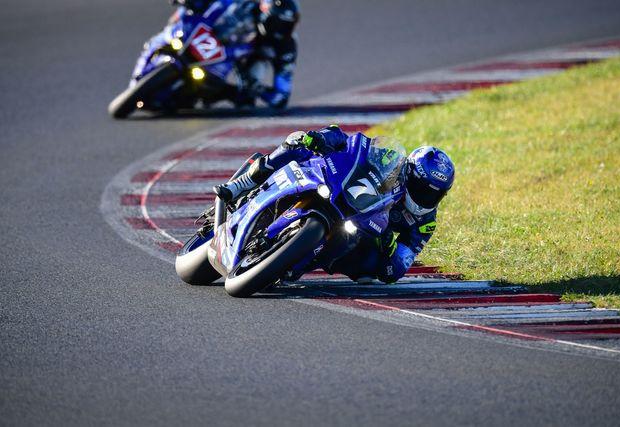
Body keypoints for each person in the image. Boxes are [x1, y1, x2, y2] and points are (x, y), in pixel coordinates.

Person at [213, 125, 456, 283]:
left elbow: (396, 269)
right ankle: (242, 184)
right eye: (423, 188)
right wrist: (323, 138)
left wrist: (388, 246)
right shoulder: (390, 160)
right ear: (409, 173)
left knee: (369, 270)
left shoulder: (425, 223)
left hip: (360, 228)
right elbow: (352, 143)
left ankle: (292, 266)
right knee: (297, 141)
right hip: (337, 189)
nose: (426, 197)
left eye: (434, 194)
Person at [173, 0, 299, 108]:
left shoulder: (286, 49)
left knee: (246, 96)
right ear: (265, 13)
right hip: (209, 40)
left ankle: (225, 93)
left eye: (288, 25)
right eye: (277, 23)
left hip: (233, 61)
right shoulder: (243, 5)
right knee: (183, 16)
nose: (281, 30)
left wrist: (257, 88)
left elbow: (281, 96)